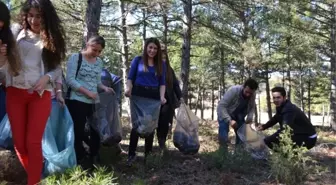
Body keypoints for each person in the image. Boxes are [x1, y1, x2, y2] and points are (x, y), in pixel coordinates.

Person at [0, 0, 65, 184]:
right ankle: (37, 176)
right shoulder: (15, 33)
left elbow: (57, 69)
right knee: (19, 145)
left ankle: (34, 181)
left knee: (33, 143)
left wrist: (48, 78)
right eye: (31, 15)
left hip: (40, 95)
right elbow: (2, 66)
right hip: (15, 93)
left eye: (39, 16)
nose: (34, 20)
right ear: (25, 16)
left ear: (46, 17)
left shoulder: (52, 38)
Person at [65, 35, 114, 168]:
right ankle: (79, 159)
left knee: (96, 130)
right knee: (78, 131)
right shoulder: (76, 58)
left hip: (93, 102)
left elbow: (97, 82)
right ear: (87, 44)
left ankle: (93, 157)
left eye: (99, 51)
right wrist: (87, 93)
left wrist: (104, 88)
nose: (96, 53)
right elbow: (70, 80)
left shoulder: (99, 62)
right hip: (76, 100)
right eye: (94, 49)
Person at [125, 37, 166, 166]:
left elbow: (162, 83)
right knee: (136, 125)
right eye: (150, 47)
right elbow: (130, 78)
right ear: (146, 47)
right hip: (138, 95)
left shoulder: (161, 64)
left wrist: (162, 97)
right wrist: (128, 89)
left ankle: (147, 157)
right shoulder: (138, 60)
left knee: (150, 126)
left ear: (158, 50)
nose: (152, 50)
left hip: (153, 96)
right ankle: (131, 155)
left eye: (155, 48)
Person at [217, 78, 258, 147]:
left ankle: (239, 154)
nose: (248, 95)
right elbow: (221, 106)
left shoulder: (253, 94)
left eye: (250, 93)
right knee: (223, 133)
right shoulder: (233, 90)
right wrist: (229, 120)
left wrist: (250, 117)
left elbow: (252, 107)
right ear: (243, 86)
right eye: (246, 92)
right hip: (225, 113)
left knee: (242, 136)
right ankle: (223, 153)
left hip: (239, 115)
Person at [157, 44, 182, 150]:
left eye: (164, 57)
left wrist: (180, 96)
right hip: (155, 100)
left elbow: (175, 84)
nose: (162, 59)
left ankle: (162, 143)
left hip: (168, 101)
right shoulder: (153, 68)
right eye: (160, 57)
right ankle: (153, 144)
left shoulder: (169, 70)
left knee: (165, 122)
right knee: (155, 122)